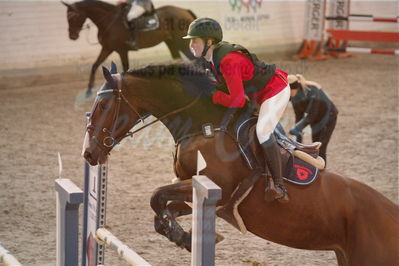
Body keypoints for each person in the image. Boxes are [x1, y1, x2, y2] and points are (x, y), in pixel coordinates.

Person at [183, 17, 291, 203]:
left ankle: (279, 186)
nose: (191, 44)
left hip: (275, 90)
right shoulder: (210, 58)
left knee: (263, 132)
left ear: (209, 42)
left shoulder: (228, 61)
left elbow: (237, 100)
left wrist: (213, 96)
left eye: (195, 40)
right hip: (256, 94)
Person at [288, 74, 338, 165]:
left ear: (295, 88)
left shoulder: (312, 91)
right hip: (316, 119)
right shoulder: (294, 97)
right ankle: (317, 170)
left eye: (290, 91)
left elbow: (312, 114)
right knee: (315, 147)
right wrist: (298, 139)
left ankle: (322, 173)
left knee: (321, 147)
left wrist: (297, 128)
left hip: (328, 117)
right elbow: (299, 117)